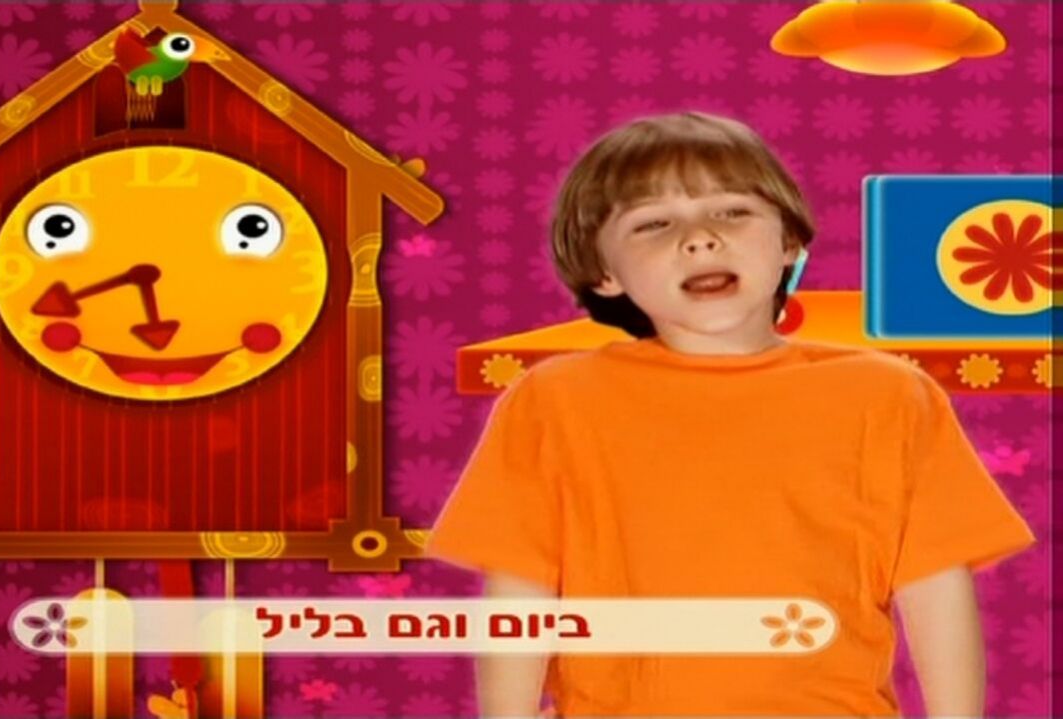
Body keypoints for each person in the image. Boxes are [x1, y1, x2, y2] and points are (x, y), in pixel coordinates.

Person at [424, 112, 1036, 718]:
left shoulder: (891, 395)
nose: (699, 238)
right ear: (604, 273)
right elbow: (521, 587)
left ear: (789, 241)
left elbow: (934, 582)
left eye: (731, 211)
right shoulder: (553, 399)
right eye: (654, 223)